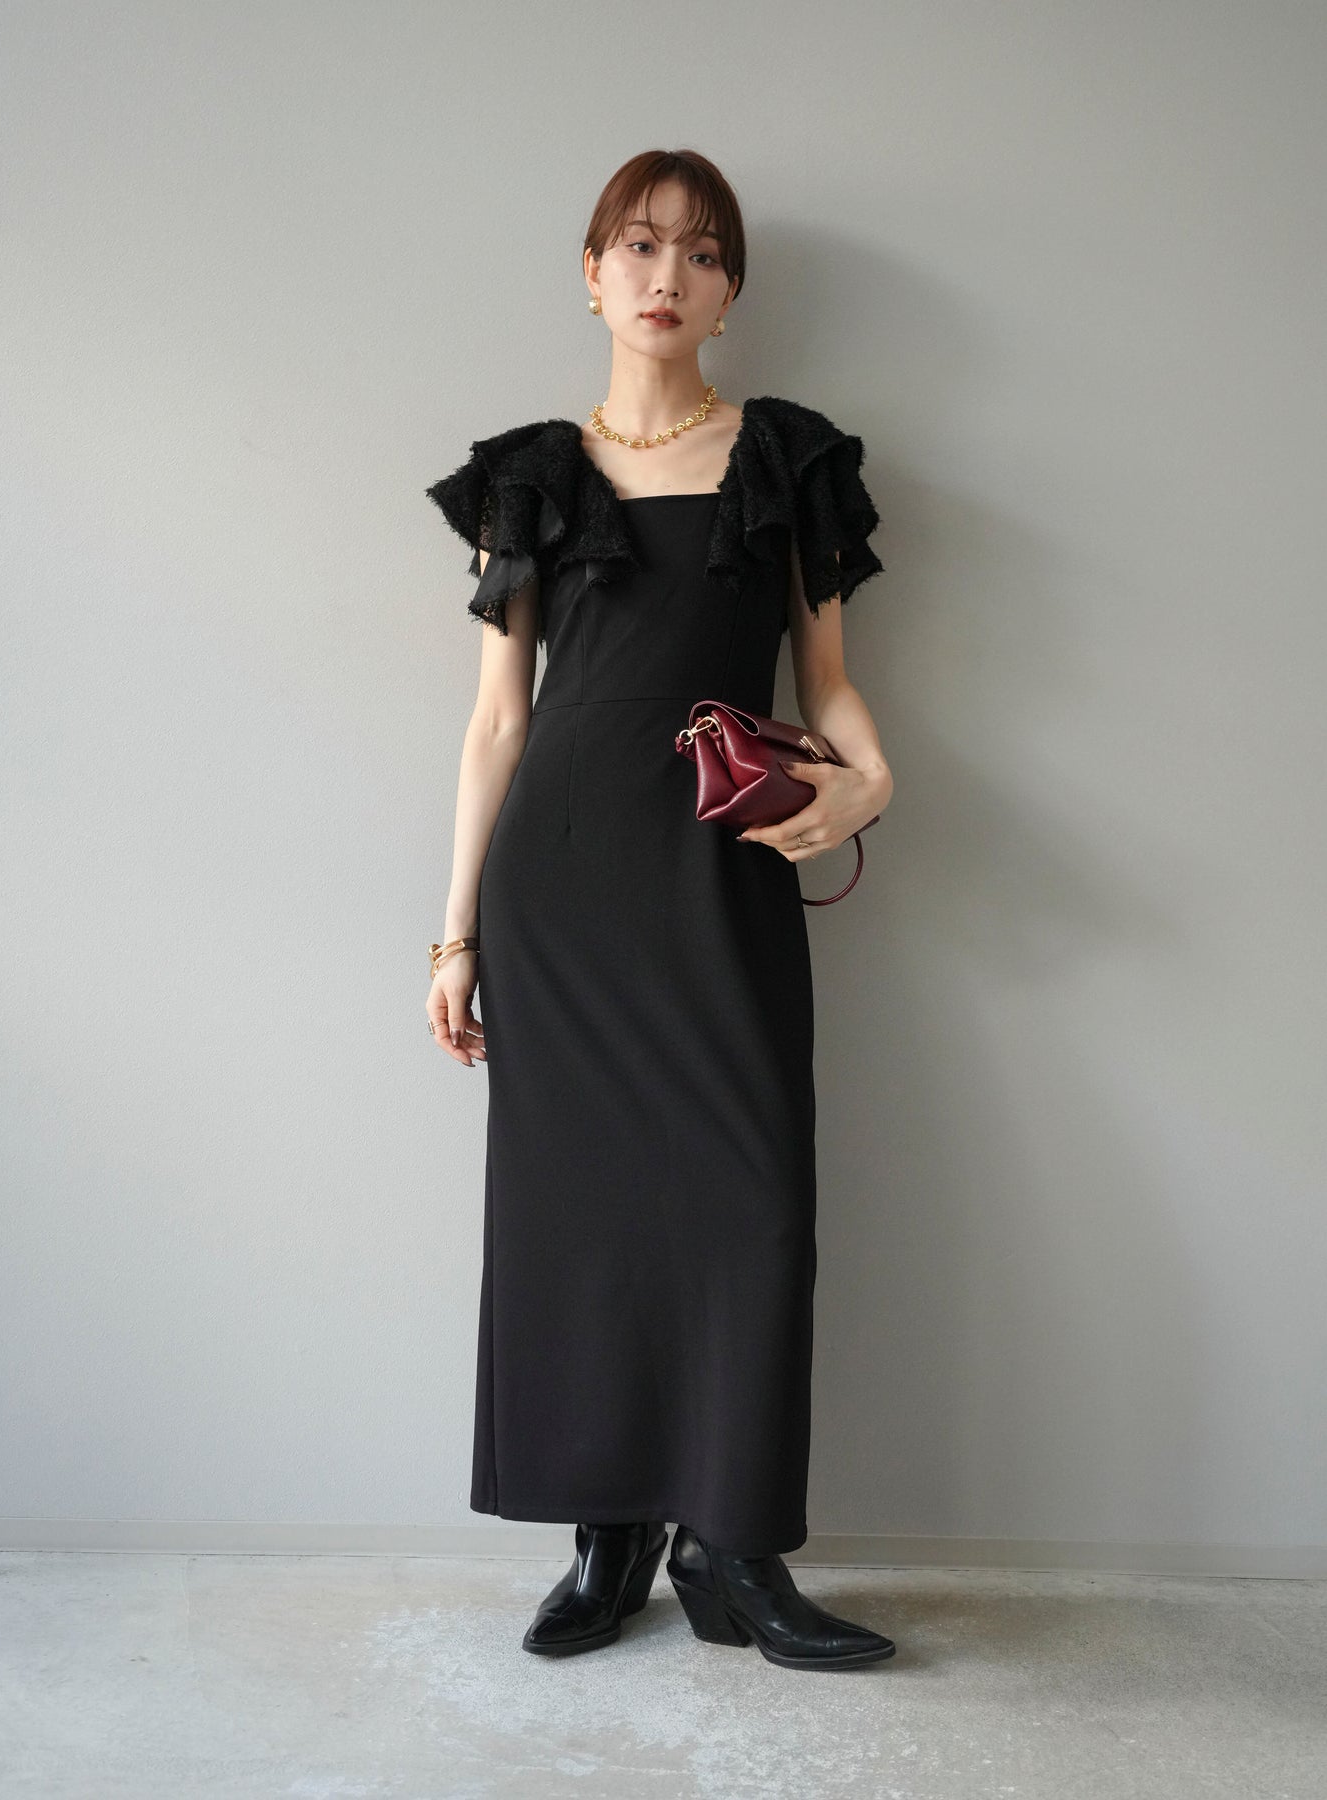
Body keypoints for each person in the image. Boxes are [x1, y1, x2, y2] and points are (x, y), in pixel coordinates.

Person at [424, 149, 897, 1672]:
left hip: (717, 869)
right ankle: (607, 1537)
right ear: (590, 273)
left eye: (699, 253)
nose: (664, 275)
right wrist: (455, 935)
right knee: (574, 1220)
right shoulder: (530, 475)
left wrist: (871, 780)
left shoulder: (787, 458)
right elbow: (499, 723)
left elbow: (828, 683)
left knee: (754, 1204)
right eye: (636, 245)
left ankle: (732, 1547)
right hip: (559, 888)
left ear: (729, 289)